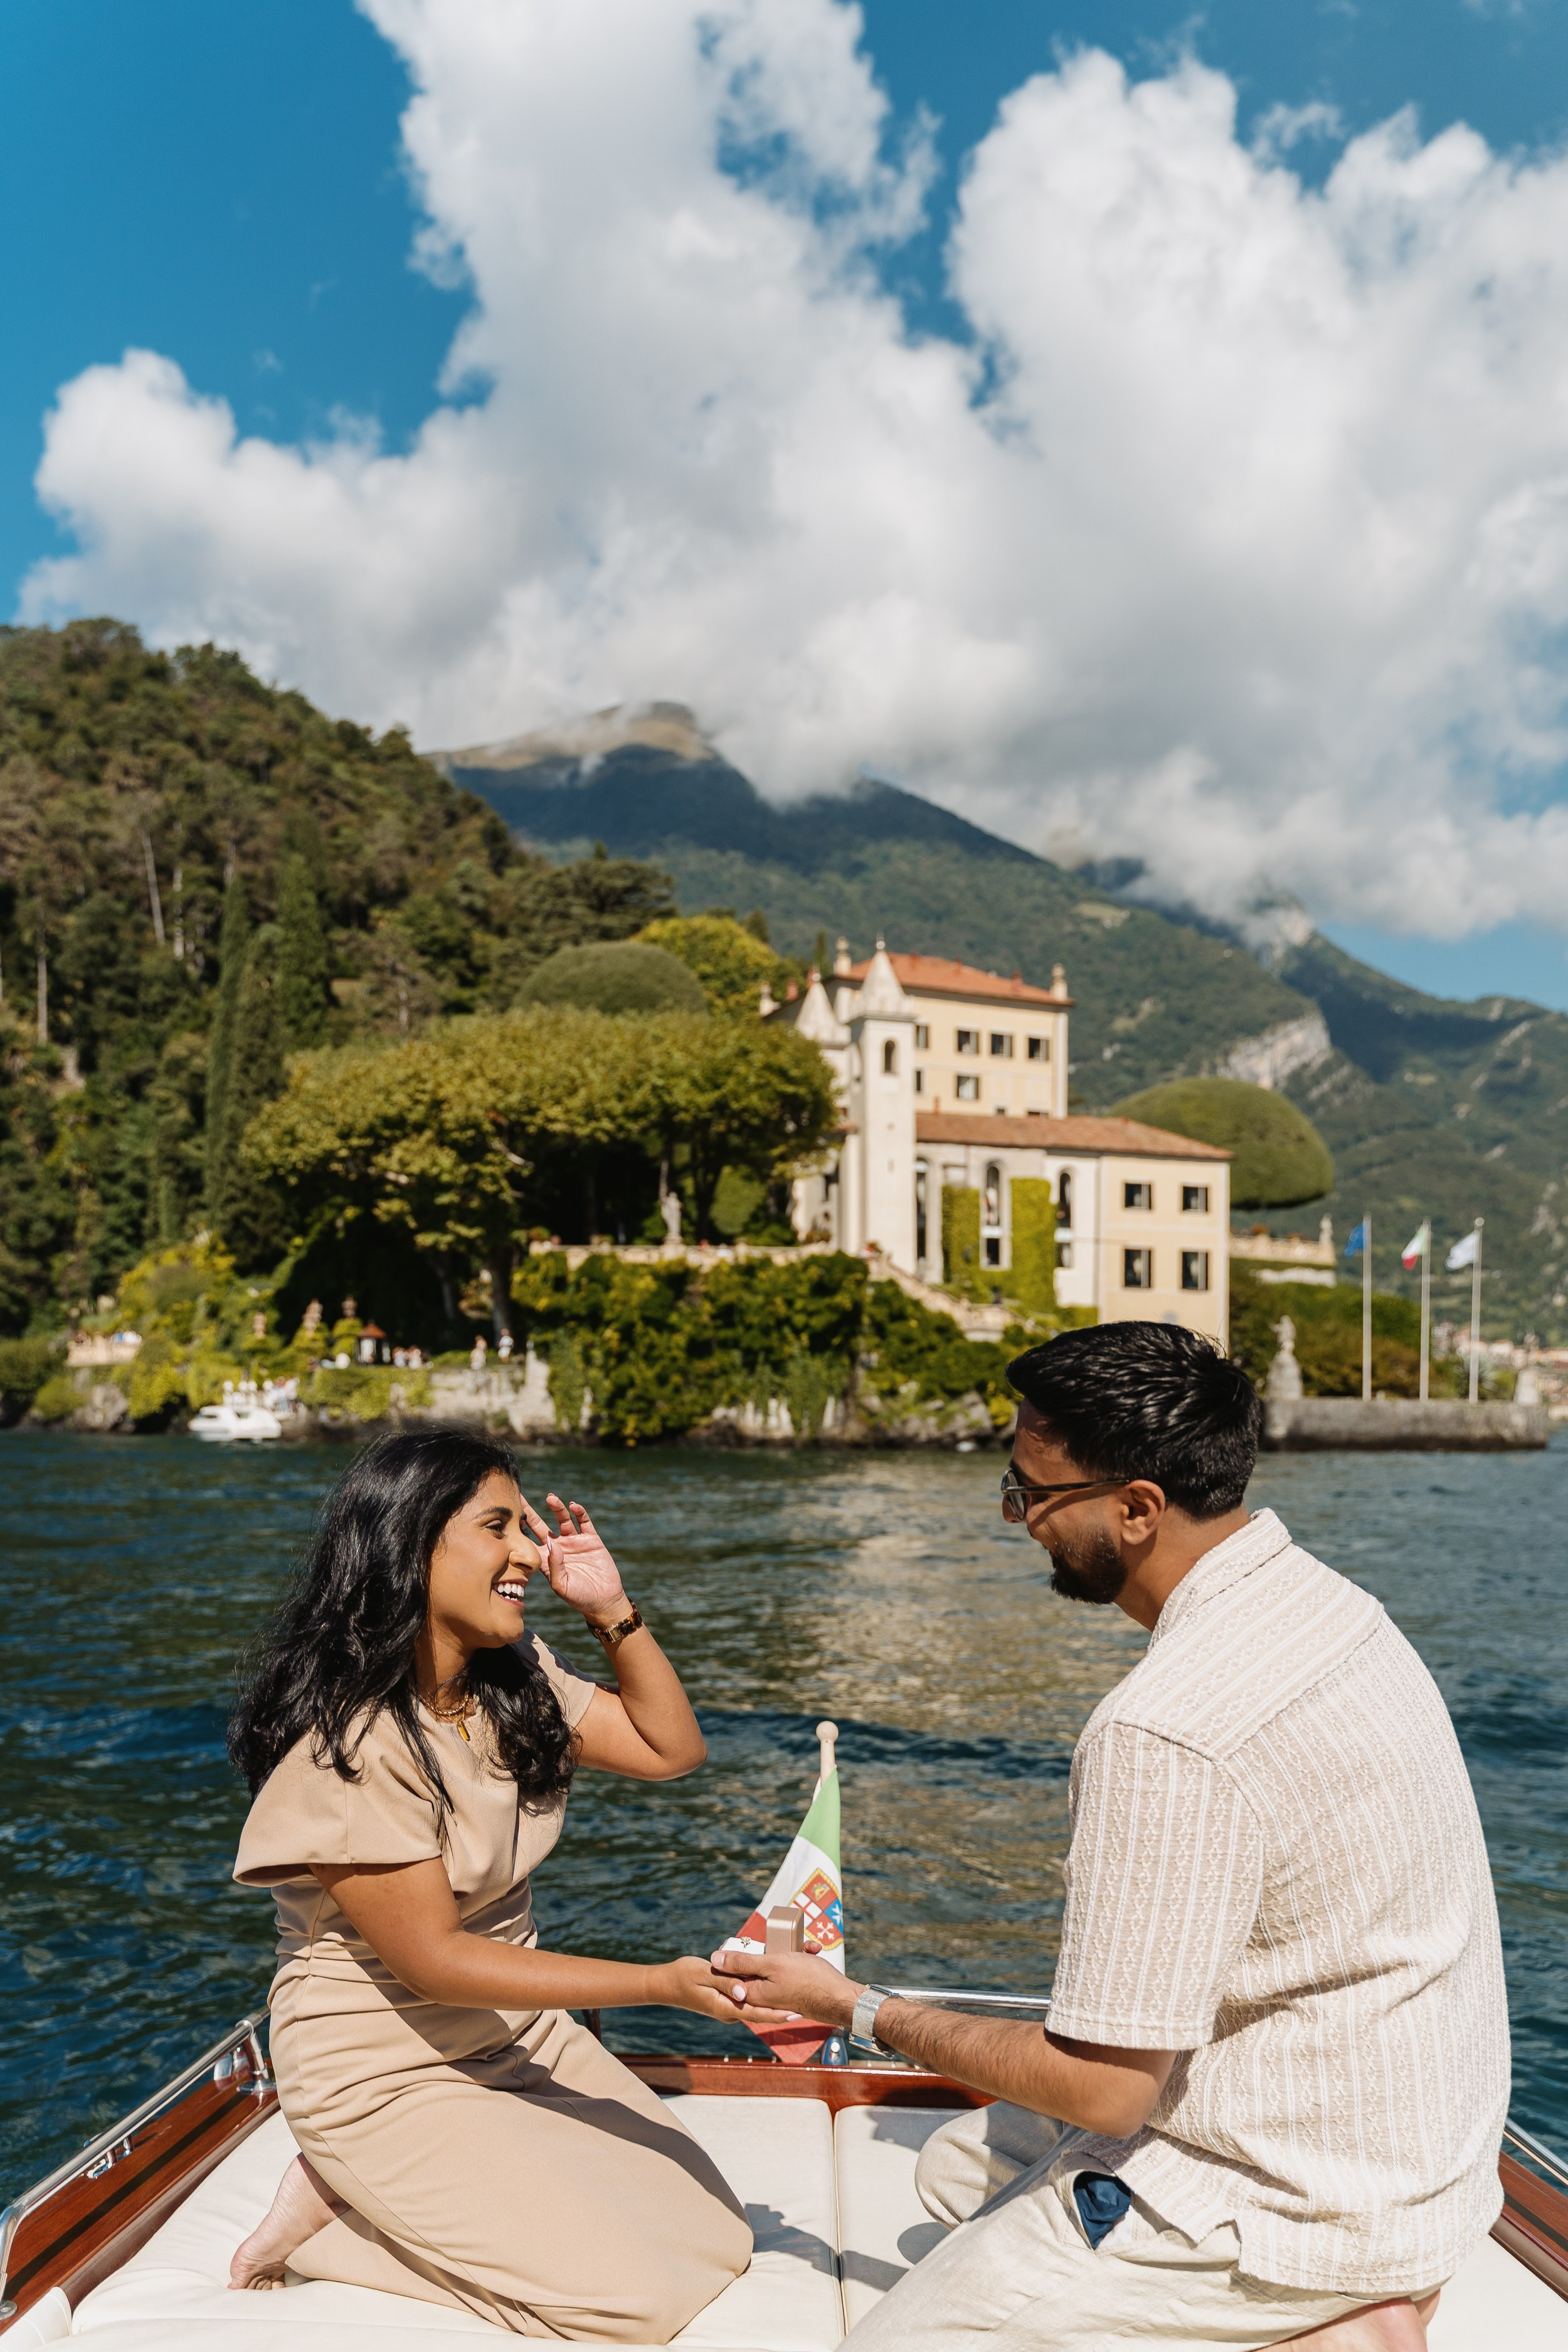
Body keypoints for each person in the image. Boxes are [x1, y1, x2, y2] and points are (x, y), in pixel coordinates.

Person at [711, 1321, 1510, 2351]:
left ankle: (1325, 2308)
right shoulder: (1340, 1608)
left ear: (1137, 1509)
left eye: (1032, 1494)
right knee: (954, 2167)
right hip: (1419, 2159)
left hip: (1295, 2201)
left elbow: (1105, 2088)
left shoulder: (1161, 1728)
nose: (1021, 1521)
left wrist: (855, 2005)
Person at [227, 1427, 760, 2340]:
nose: (528, 1551)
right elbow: (434, 1961)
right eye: (498, 1526)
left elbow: (673, 1749)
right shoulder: (350, 1744)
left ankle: (369, 2194)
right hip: (379, 2060)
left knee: (717, 2231)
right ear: (412, 1544)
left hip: (514, 2031)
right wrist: (657, 1984)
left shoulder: (511, 1680)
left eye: (527, 1525)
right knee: (632, 2299)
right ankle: (338, 2225)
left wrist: (613, 1607)